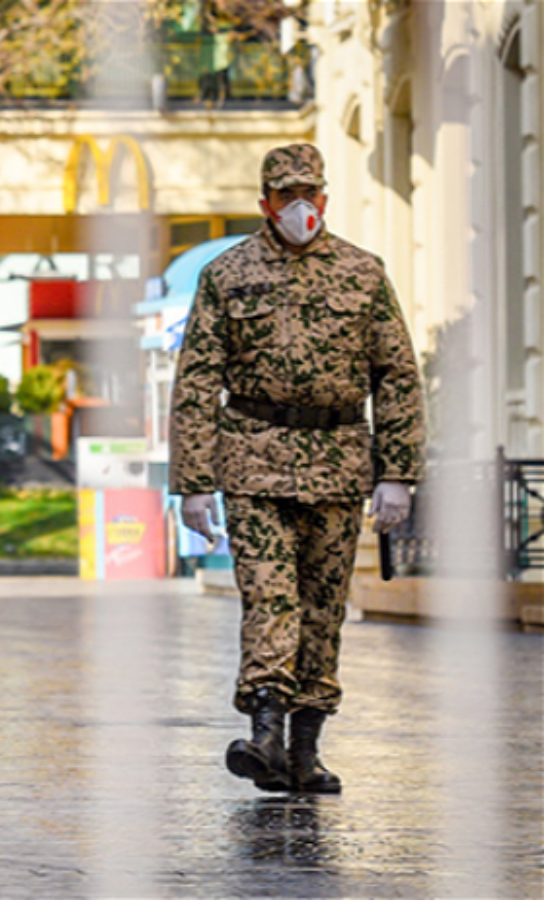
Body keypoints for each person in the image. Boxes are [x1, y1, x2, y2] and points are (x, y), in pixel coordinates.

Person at [169, 143, 425, 793]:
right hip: (255, 457)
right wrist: (193, 483)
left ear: (326, 198)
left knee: (322, 607)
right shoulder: (227, 275)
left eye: (309, 192)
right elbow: (197, 381)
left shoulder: (362, 274)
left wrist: (398, 472)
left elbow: (396, 376)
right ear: (265, 203)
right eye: (286, 195)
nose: (299, 205)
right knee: (269, 596)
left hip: (338, 461)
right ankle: (263, 729)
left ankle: (304, 749)